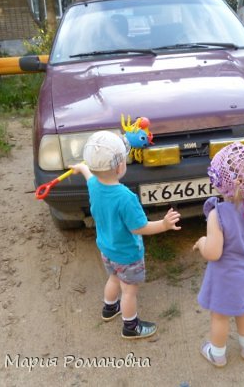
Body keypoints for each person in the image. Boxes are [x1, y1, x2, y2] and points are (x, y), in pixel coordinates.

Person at [70, 131, 181, 339]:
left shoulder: (94, 185)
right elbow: (140, 227)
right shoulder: (126, 197)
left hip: (107, 249)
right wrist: (164, 225)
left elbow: (89, 174)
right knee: (129, 291)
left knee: (113, 277)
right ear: (120, 166)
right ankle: (131, 327)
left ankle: (109, 308)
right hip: (127, 254)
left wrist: (81, 167)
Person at [193, 142, 244, 367]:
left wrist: (201, 242)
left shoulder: (217, 214)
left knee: (220, 316)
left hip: (224, 277)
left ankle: (217, 354)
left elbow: (213, 252)